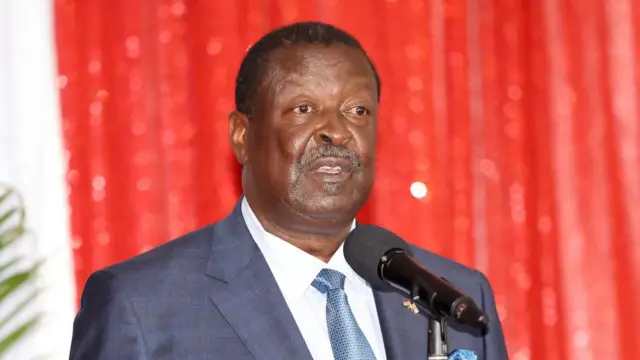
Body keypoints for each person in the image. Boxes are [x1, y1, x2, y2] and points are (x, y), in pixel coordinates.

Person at [69, 21, 509, 360]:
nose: (336, 132)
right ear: (242, 135)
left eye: (357, 110)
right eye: (303, 109)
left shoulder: (453, 298)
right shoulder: (142, 304)